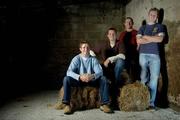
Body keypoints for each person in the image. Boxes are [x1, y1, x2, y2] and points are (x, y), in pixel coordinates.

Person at [62, 41, 112, 114]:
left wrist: (92, 76)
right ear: (80, 49)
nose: (86, 49)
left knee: (103, 79)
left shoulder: (93, 59)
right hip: (79, 81)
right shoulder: (76, 59)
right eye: (84, 47)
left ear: (89, 49)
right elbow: (69, 72)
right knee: (66, 79)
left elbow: (100, 72)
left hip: (91, 80)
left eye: (87, 47)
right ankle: (67, 104)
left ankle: (104, 104)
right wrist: (79, 76)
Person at [136, 7, 165, 109]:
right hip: (143, 55)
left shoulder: (160, 26)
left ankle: (151, 104)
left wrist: (145, 37)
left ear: (157, 17)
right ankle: (143, 101)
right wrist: (153, 39)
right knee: (143, 78)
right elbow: (138, 41)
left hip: (155, 56)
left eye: (155, 15)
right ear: (148, 15)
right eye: (151, 14)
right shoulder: (142, 27)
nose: (153, 16)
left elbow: (160, 39)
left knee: (154, 79)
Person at [92, 28, 126, 109]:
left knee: (120, 61)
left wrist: (110, 59)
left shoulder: (120, 43)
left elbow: (123, 56)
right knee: (100, 72)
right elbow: (91, 51)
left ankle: (116, 84)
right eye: (110, 34)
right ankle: (104, 100)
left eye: (113, 33)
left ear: (116, 35)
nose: (112, 35)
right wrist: (94, 59)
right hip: (106, 67)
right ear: (107, 35)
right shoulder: (103, 44)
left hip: (116, 68)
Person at [118, 17, 140, 82]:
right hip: (124, 54)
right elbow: (119, 44)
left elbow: (139, 44)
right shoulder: (122, 34)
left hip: (134, 54)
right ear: (124, 24)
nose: (128, 23)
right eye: (127, 22)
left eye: (130, 22)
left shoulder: (136, 32)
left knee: (133, 68)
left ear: (132, 23)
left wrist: (137, 52)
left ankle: (134, 81)